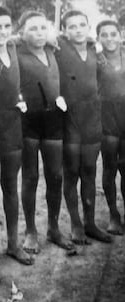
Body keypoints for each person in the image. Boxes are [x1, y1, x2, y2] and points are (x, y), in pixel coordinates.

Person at [15, 11, 74, 254]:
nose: (39, 33)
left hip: (53, 121)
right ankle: (30, 230)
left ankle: (54, 227)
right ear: (22, 33)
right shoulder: (16, 52)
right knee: (30, 177)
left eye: (43, 28)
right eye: (33, 29)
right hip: (28, 122)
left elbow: (73, 38)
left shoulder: (53, 50)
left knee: (56, 176)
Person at [0, 6, 33, 265]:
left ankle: (13, 243)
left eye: (5, 26)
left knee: (10, 185)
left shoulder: (14, 45)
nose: (1, 31)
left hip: (12, 125)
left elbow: (43, 35)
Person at [55, 10, 112, 244]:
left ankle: (90, 223)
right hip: (70, 119)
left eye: (82, 25)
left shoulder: (94, 49)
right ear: (65, 30)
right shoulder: (59, 47)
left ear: (88, 28)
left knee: (89, 170)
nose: (78, 29)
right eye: (72, 26)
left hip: (92, 119)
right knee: (71, 172)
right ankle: (76, 224)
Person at [96, 20, 125, 235]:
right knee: (109, 168)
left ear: (120, 34)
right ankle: (114, 215)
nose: (109, 38)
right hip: (107, 118)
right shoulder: (96, 59)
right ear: (98, 37)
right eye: (104, 34)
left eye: (113, 33)